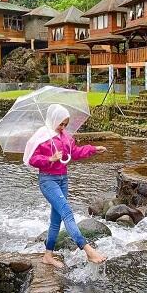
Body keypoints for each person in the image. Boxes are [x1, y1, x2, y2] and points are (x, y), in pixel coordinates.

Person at [23, 103, 107, 268]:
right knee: (67, 212)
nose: (63, 127)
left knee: (56, 220)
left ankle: (48, 255)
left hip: (63, 179)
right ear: (53, 119)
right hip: (48, 180)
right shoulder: (42, 136)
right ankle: (87, 249)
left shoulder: (66, 137)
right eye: (60, 123)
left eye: (65, 124)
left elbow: (74, 153)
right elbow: (32, 159)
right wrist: (49, 159)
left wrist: (93, 149)